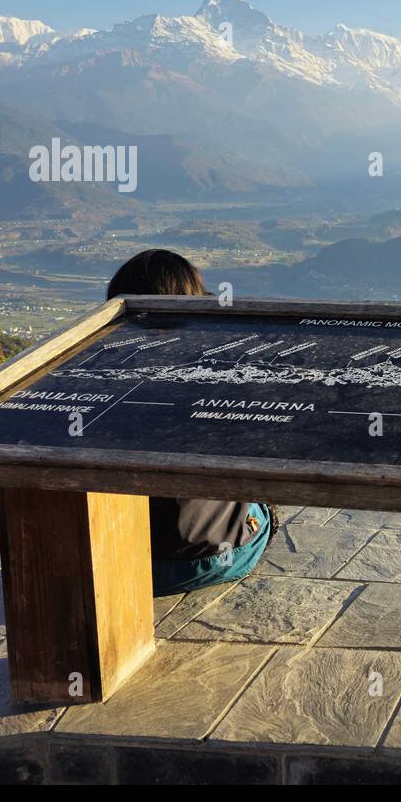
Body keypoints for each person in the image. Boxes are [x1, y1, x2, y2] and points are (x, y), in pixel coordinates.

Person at [106, 249, 277, 595]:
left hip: (114, 564)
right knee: (266, 507)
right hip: (212, 560)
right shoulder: (216, 371)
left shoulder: (90, 377)